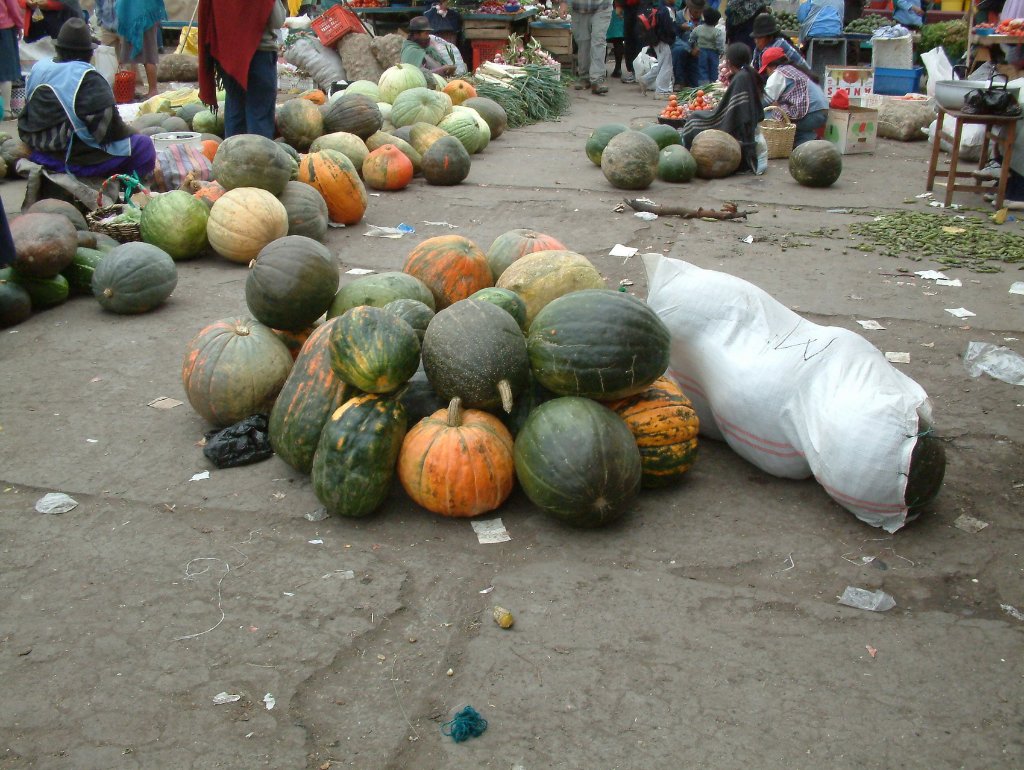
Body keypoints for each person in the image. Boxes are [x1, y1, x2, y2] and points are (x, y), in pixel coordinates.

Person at [18, 18, 154, 178]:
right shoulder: (87, 78)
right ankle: (122, 186)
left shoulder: (39, 68)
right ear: (89, 54)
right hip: (70, 159)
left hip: (39, 152)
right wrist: (134, 132)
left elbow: (28, 112)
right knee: (144, 147)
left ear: (58, 49)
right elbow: (107, 132)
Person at [199, 0, 285, 139]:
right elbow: (277, 20)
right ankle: (258, 158)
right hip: (259, 55)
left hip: (227, 56)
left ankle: (232, 158)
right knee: (259, 115)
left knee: (235, 109)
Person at [680, 42, 764, 174]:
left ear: (729, 62)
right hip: (743, 128)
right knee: (698, 115)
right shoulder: (746, 74)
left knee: (694, 119)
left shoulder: (741, 78)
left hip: (738, 131)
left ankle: (691, 156)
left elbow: (732, 112)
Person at [759, 45, 828, 146]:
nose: (767, 73)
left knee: (768, 115)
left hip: (812, 114)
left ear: (771, 66)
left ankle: (800, 141)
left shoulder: (779, 74)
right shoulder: (795, 70)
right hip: (822, 112)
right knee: (787, 117)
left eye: (766, 70)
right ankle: (808, 140)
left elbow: (765, 101)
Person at [115, 0, 165, 101]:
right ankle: (151, 90)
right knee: (148, 55)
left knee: (132, 56)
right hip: (149, 16)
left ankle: (136, 90)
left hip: (131, 17)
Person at [559, 0, 612, 94]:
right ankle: (584, 77)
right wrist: (563, 3)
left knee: (598, 41)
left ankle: (597, 80)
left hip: (602, 6)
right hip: (579, 9)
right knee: (583, 42)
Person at [671, 0, 702, 88]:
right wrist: (689, 49)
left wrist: (698, 47)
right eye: (696, 12)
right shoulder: (679, 16)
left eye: (700, 12)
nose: (698, 14)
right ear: (690, 8)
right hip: (682, 47)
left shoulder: (705, 18)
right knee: (679, 50)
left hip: (698, 50)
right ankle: (679, 81)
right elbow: (674, 37)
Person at [691, 7, 724, 85]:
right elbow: (719, 43)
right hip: (713, 53)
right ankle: (713, 85)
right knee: (713, 69)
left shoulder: (698, 28)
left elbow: (691, 38)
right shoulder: (717, 32)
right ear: (716, 22)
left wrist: (694, 45)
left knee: (702, 69)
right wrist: (721, 51)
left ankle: (703, 87)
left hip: (701, 52)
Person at [1, 0, 20, 119]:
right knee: (6, 70)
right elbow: (13, 6)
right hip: (3, 29)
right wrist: (20, 24)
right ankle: (6, 110)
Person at [607, 0, 625, 79]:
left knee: (601, 41)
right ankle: (618, 68)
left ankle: (601, 69)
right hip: (618, 8)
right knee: (618, 41)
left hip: (606, 9)